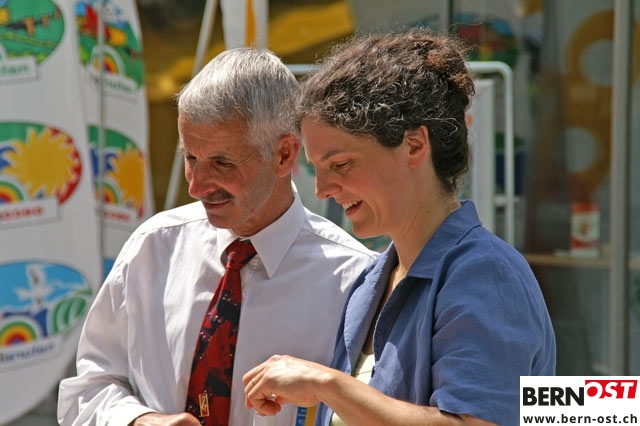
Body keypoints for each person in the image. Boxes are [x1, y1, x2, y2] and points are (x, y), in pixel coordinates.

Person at [243, 28, 556, 426]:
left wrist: (327, 385)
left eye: (341, 164)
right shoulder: (373, 279)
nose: (322, 189)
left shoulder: (485, 272)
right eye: (317, 169)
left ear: (414, 146)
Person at [57, 48, 376, 426]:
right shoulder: (154, 247)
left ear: (284, 154)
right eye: (190, 158)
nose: (196, 186)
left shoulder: (354, 281)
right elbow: (89, 387)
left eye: (221, 163)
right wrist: (140, 420)